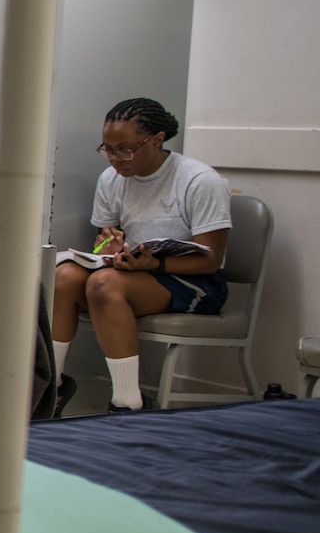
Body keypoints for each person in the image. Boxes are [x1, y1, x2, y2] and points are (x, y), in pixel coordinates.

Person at [52, 97, 231, 413]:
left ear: (157, 140)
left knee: (104, 284)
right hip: (133, 273)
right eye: (108, 149)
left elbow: (211, 259)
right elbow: (105, 240)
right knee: (64, 275)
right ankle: (50, 386)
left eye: (126, 149)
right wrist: (105, 248)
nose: (116, 159)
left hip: (193, 280)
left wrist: (157, 263)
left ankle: (127, 403)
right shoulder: (111, 180)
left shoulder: (200, 181)